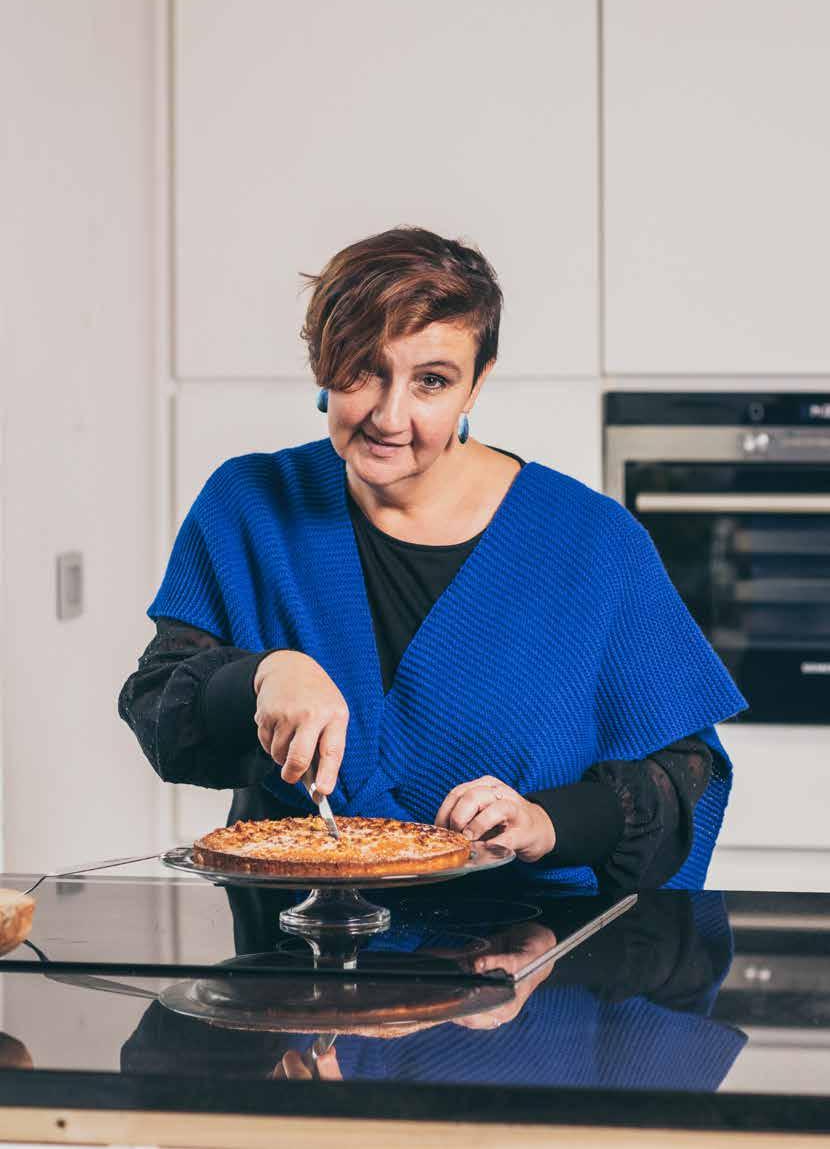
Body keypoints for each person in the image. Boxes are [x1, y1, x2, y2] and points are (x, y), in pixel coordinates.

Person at [118, 225, 748, 892]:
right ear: (322, 365)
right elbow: (158, 708)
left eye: (432, 381)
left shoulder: (591, 541)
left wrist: (545, 821)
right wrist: (263, 674)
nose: (391, 416)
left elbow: (683, 769)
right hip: (299, 936)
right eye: (364, 369)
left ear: (475, 386)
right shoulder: (249, 506)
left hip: (522, 940)